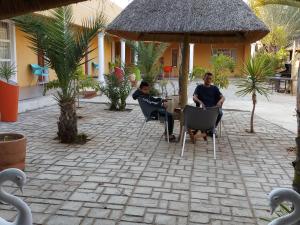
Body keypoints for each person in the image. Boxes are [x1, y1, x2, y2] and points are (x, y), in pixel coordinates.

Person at [192, 72, 225, 139]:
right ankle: (204, 129)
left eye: (210, 79)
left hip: (213, 109)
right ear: (203, 78)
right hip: (203, 109)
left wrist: (220, 101)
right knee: (196, 114)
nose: (208, 80)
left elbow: (223, 97)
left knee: (220, 113)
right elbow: (194, 97)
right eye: (207, 78)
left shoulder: (214, 88)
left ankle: (212, 129)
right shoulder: (199, 87)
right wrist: (200, 102)